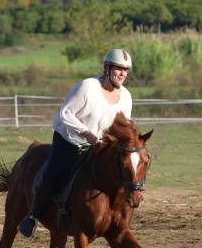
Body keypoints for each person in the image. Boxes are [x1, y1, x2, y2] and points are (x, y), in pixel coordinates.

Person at [18, 48, 134, 237]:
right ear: (107, 68)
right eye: (118, 69)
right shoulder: (88, 87)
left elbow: (123, 127)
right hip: (69, 139)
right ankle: (32, 216)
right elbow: (65, 114)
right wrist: (86, 133)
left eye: (125, 70)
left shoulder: (126, 97)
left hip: (98, 146)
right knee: (54, 173)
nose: (122, 74)